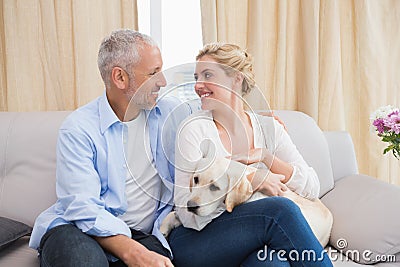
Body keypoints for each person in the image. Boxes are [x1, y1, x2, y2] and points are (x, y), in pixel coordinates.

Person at [29, 29, 191, 267]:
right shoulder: (79, 128)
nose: (163, 82)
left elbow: (216, 126)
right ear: (120, 77)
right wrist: (131, 251)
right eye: (153, 73)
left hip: (142, 235)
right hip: (77, 230)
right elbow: (81, 207)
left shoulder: (170, 113)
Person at [170, 43, 333, 266]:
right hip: (196, 240)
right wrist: (249, 181)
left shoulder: (269, 129)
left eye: (207, 75)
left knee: (271, 263)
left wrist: (267, 157)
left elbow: (313, 188)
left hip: (253, 240)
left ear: (236, 78)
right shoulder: (194, 129)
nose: (198, 85)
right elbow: (186, 211)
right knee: (280, 210)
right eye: (196, 76)